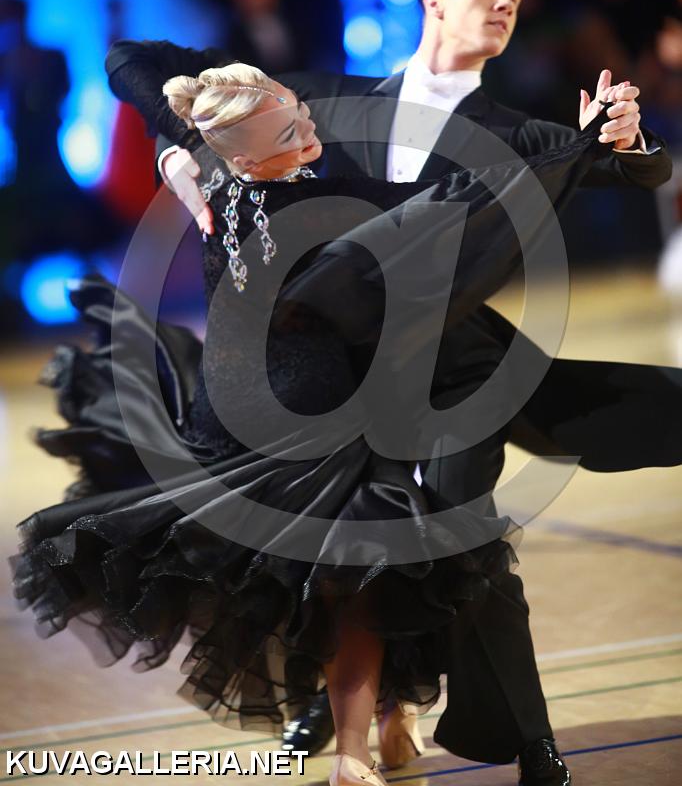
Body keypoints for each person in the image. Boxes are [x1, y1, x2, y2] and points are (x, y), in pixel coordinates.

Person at [103, 0, 675, 785]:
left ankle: (531, 741)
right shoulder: (324, 99)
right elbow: (134, 60)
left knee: (462, 543)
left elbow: (642, 170)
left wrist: (626, 139)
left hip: (452, 377)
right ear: (433, 0)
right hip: (329, 381)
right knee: (329, 558)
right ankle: (347, 710)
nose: (506, 3)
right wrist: (175, 147)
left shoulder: (517, 132)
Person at [13, 56, 626, 786]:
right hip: (242, 428)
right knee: (306, 590)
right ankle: (384, 716)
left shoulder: (309, 185)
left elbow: (459, 197)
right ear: (240, 156)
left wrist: (579, 145)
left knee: (359, 581)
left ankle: (357, 750)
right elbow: (129, 62)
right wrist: (173, 151)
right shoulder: (259, 182)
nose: (311, 132)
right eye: (290, 132)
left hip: (325, 422)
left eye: (302, 115)